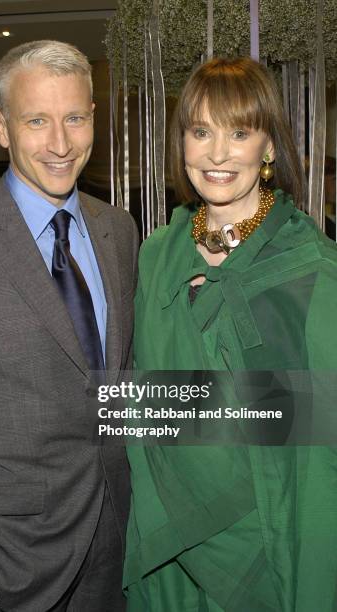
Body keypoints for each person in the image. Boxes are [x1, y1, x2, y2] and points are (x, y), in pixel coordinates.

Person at [0, 40, 138, 611]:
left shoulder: (120, 232)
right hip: (9, 562)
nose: (61, 143)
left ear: (94, 118)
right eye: (37, 121)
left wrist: (285, 409)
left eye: (74, 118)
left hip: (123, 545)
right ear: (0, 127)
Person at [124, 57, 337, 611]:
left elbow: (323, 434)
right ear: (183, 144)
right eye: (201, 131)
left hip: (267, 538)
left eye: (239, 132)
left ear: (268, 147)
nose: (218, 153)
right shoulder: (154, 257)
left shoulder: (310, 267)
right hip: (170, 530)